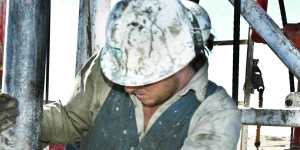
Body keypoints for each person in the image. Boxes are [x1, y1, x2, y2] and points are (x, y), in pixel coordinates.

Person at [0, 0, 241, 149]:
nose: (128, 86)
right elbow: (70, 122)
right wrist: (18, 115)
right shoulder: (112, 67)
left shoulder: (217, 113)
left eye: (143, 73)